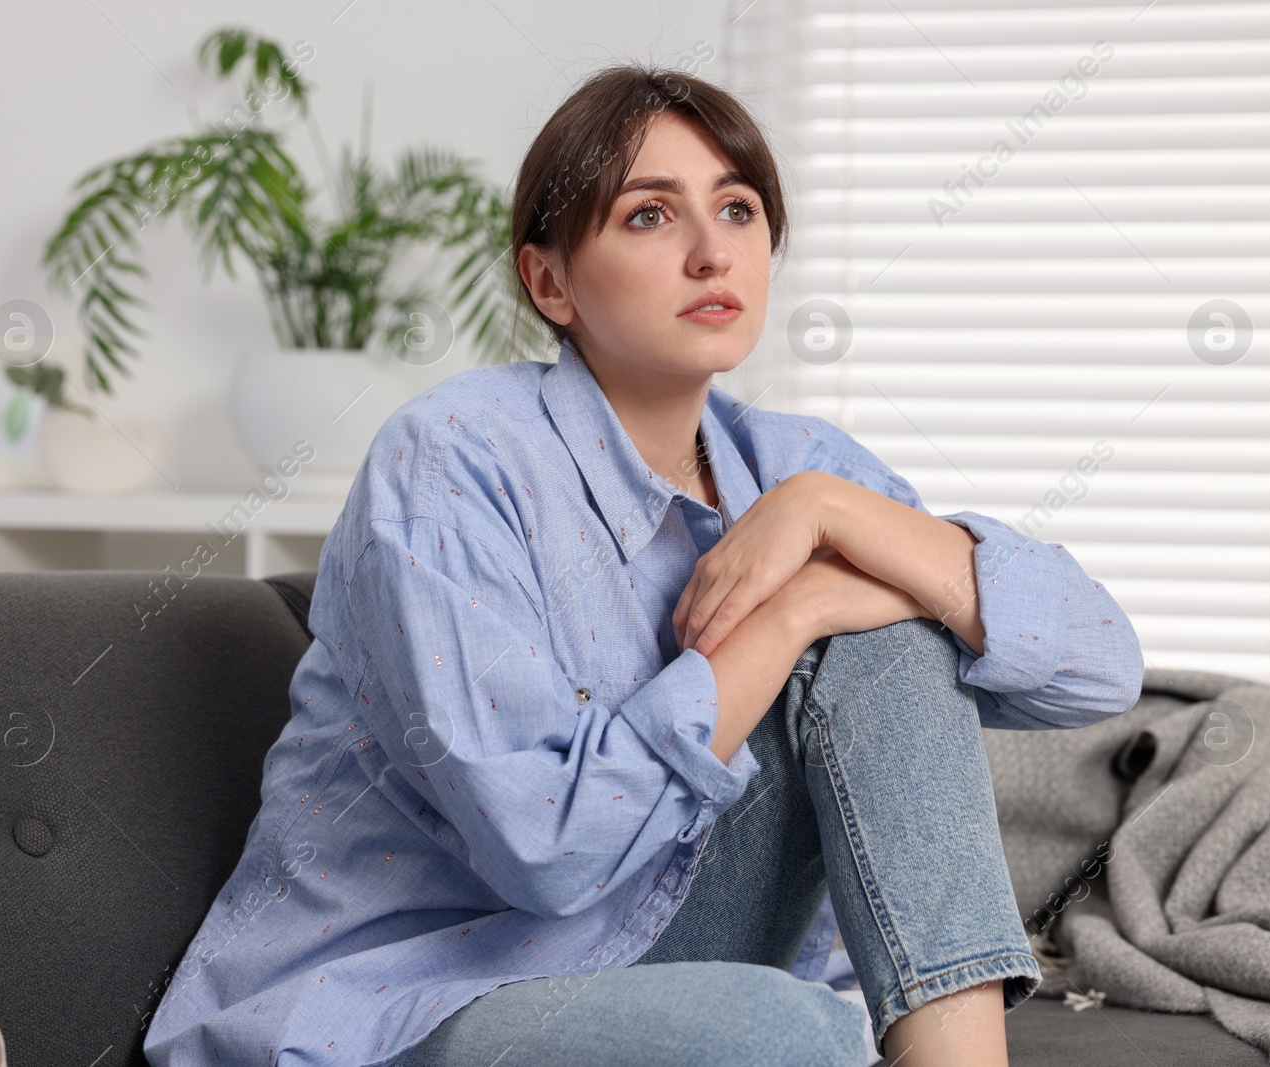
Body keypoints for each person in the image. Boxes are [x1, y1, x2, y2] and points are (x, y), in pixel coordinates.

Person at [143, 62, 1144, 1067]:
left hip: (666, 944)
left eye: (738, 209)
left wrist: (825, 516)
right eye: (649, 217)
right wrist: (790, 615)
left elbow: (1099, 663)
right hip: (421, 996)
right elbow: (550, 850)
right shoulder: (450, 460)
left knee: (887, 634)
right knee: (791, 1035)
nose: (712, 252)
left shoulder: (799, 466)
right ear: (549, 281)